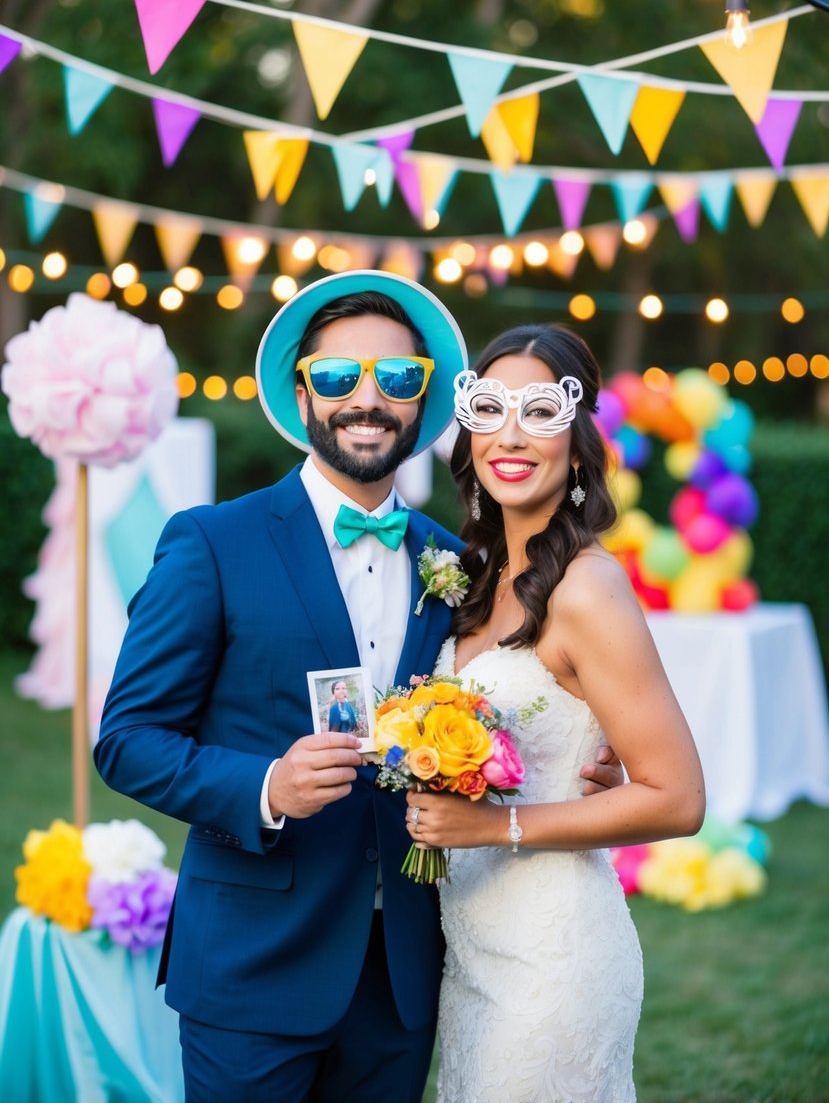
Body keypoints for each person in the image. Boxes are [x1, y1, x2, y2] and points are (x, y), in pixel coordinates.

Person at [94, 273, 622, 1103]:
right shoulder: (211, 543)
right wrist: (265, 785)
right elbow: (125, 741)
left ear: (424, 402)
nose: (367, 401)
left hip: (406, 973)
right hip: (253, 967)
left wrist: (586, 762)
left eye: (397, 379)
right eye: (339, 378)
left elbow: (503, 697)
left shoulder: (452, 562)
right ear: (301, 394)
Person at [406, 324, 706, 1103]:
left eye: (538, 412)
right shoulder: (471, 578)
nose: (510, 434)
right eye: (490, 410)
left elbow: (677, 798)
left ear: (575, 446)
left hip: (554, 956)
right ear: (465, 436)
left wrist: (492, 827)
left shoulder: (587, 590)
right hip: (473, 947)